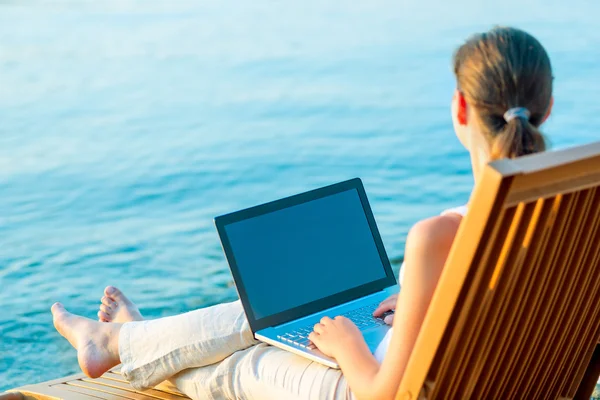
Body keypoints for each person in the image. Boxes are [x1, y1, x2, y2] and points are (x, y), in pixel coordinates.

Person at [51, 26, 553, 400]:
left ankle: (121, 342)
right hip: (503, 380)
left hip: (384, 386)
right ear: (546, 107)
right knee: (272, 318)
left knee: (242, 363)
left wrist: (347, 345)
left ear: (461, 109)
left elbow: (383, 394)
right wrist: (421, 299)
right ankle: (125, 338)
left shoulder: (440, 234)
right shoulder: (571, 209)